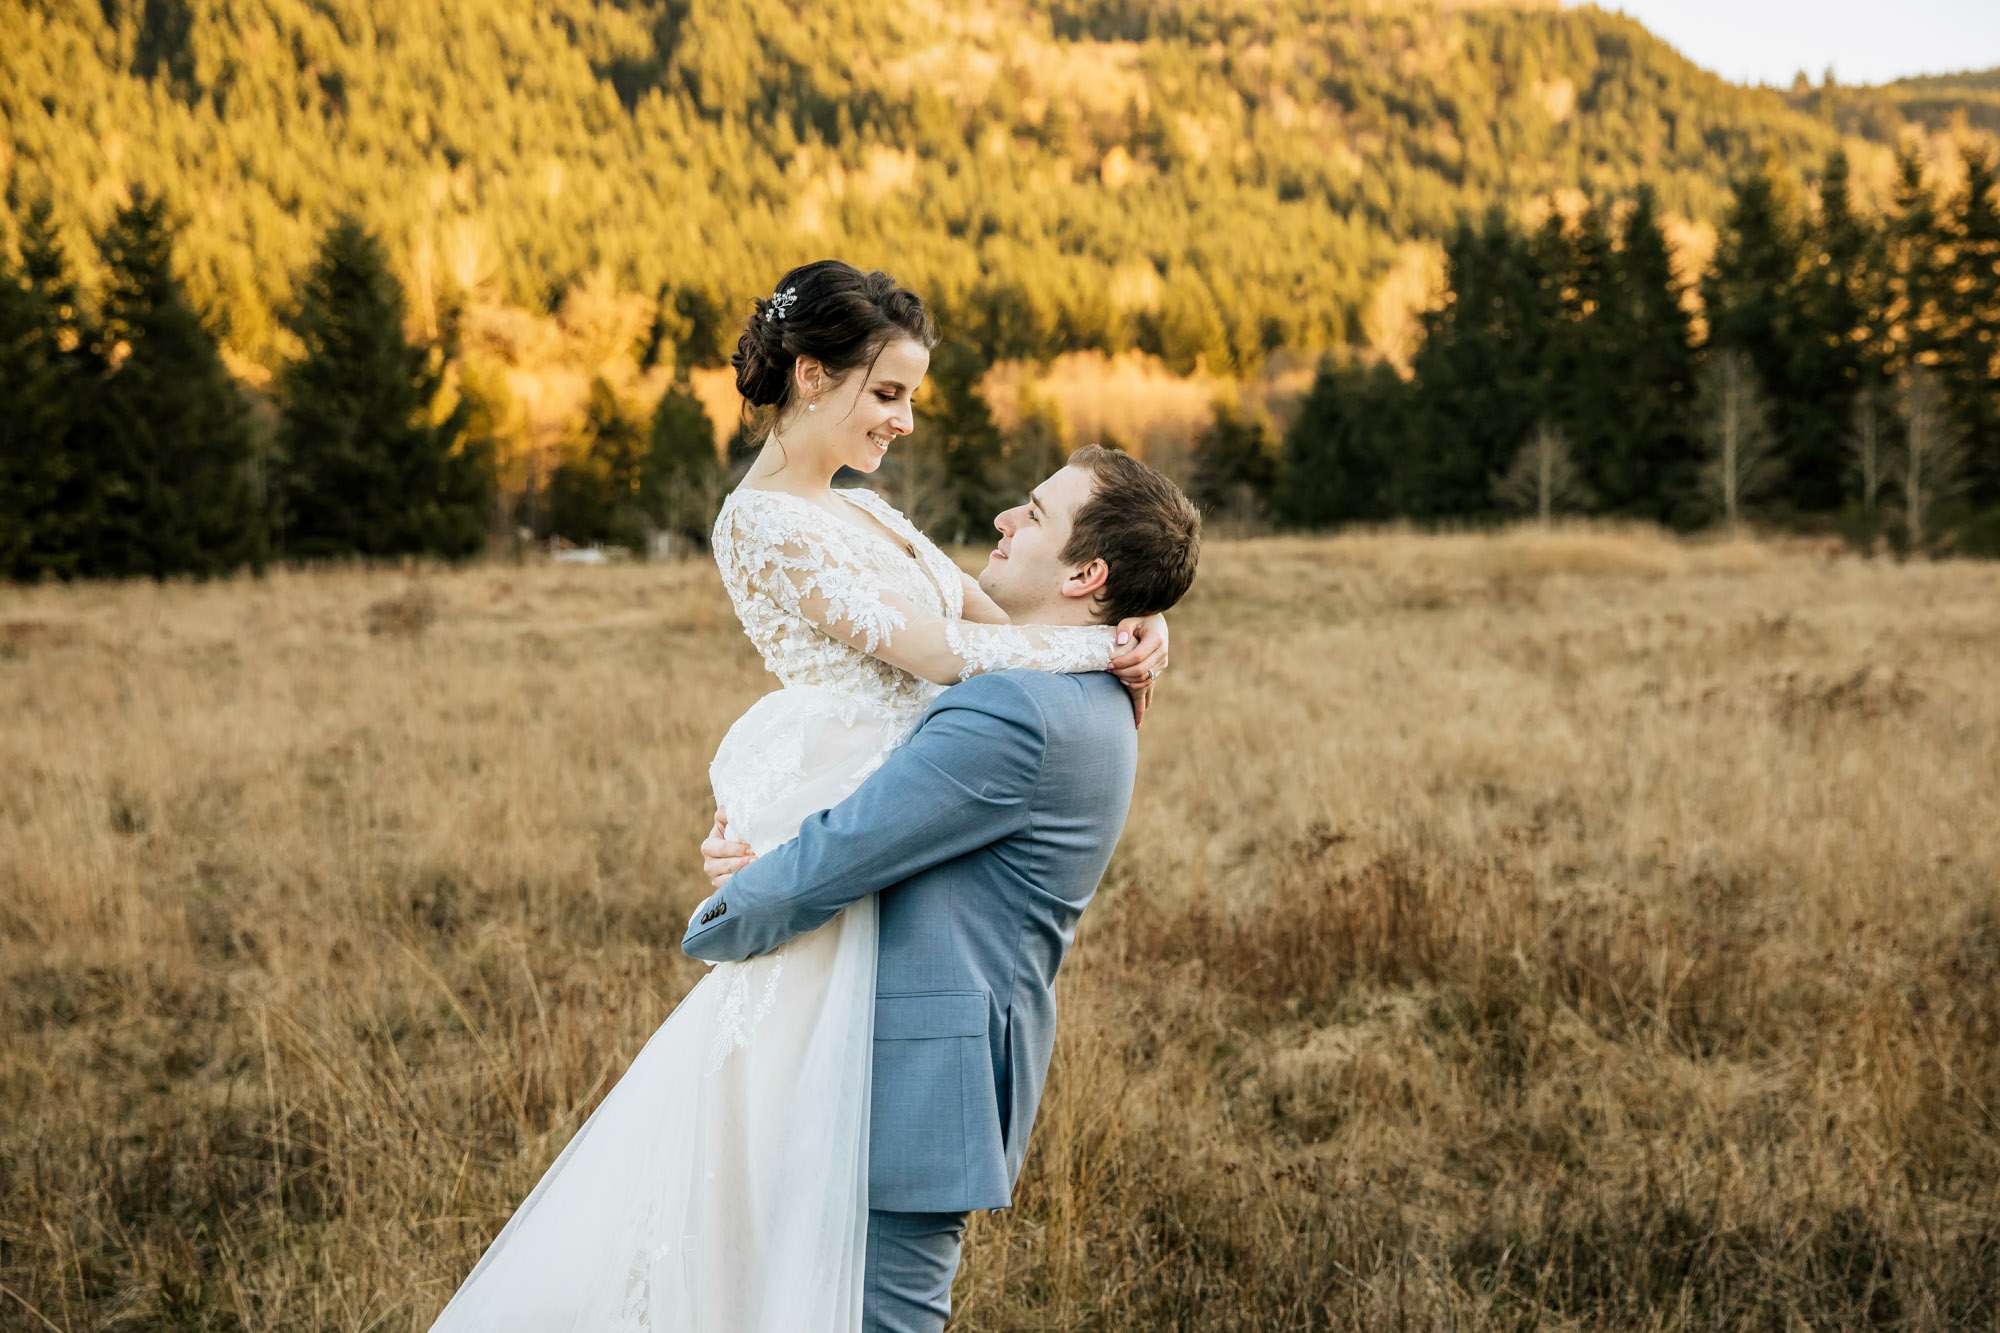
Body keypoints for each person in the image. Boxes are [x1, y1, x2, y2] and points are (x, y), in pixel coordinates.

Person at [424, 260, 1191, 1332]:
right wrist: (1102, 644)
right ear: (810, 374)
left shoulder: (866, 511)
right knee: (748, 1213)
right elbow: (938, 650)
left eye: (911, 396)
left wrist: (1141, 619)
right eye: (887, 393)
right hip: (845, 818)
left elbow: (993, 618)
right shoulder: (762, 523)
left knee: (802, 1244)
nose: (905, 420)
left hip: (874, 830)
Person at [687, 447, 1201, 1330]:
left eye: (1033, 514)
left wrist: (726, 910)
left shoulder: (1017, 710)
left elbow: (851, 848)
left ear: (1087, 573)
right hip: (930, 1054)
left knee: (887, 1316)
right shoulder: (1088, 686)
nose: (1004, 520)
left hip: (917, 1069)